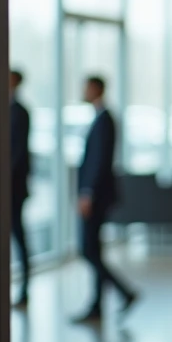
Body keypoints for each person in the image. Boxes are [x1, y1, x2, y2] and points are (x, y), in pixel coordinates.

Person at [73, 76, 138, 323]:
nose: (83, 91)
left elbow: (99, 161)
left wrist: (87, 193)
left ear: (96, 89)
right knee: (93, 250)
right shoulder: (101, 118)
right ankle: (98, 306)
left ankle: (124, 292)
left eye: (86, 87)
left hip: (96, 197)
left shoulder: (105, 120)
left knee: (89, 250)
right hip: (97, 196)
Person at [10, 70, 32, 308]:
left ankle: (24, 288)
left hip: (14, 190)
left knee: (18, 237)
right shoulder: (7, 109)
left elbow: (16, 154)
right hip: (12, 188)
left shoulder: (19, 112)